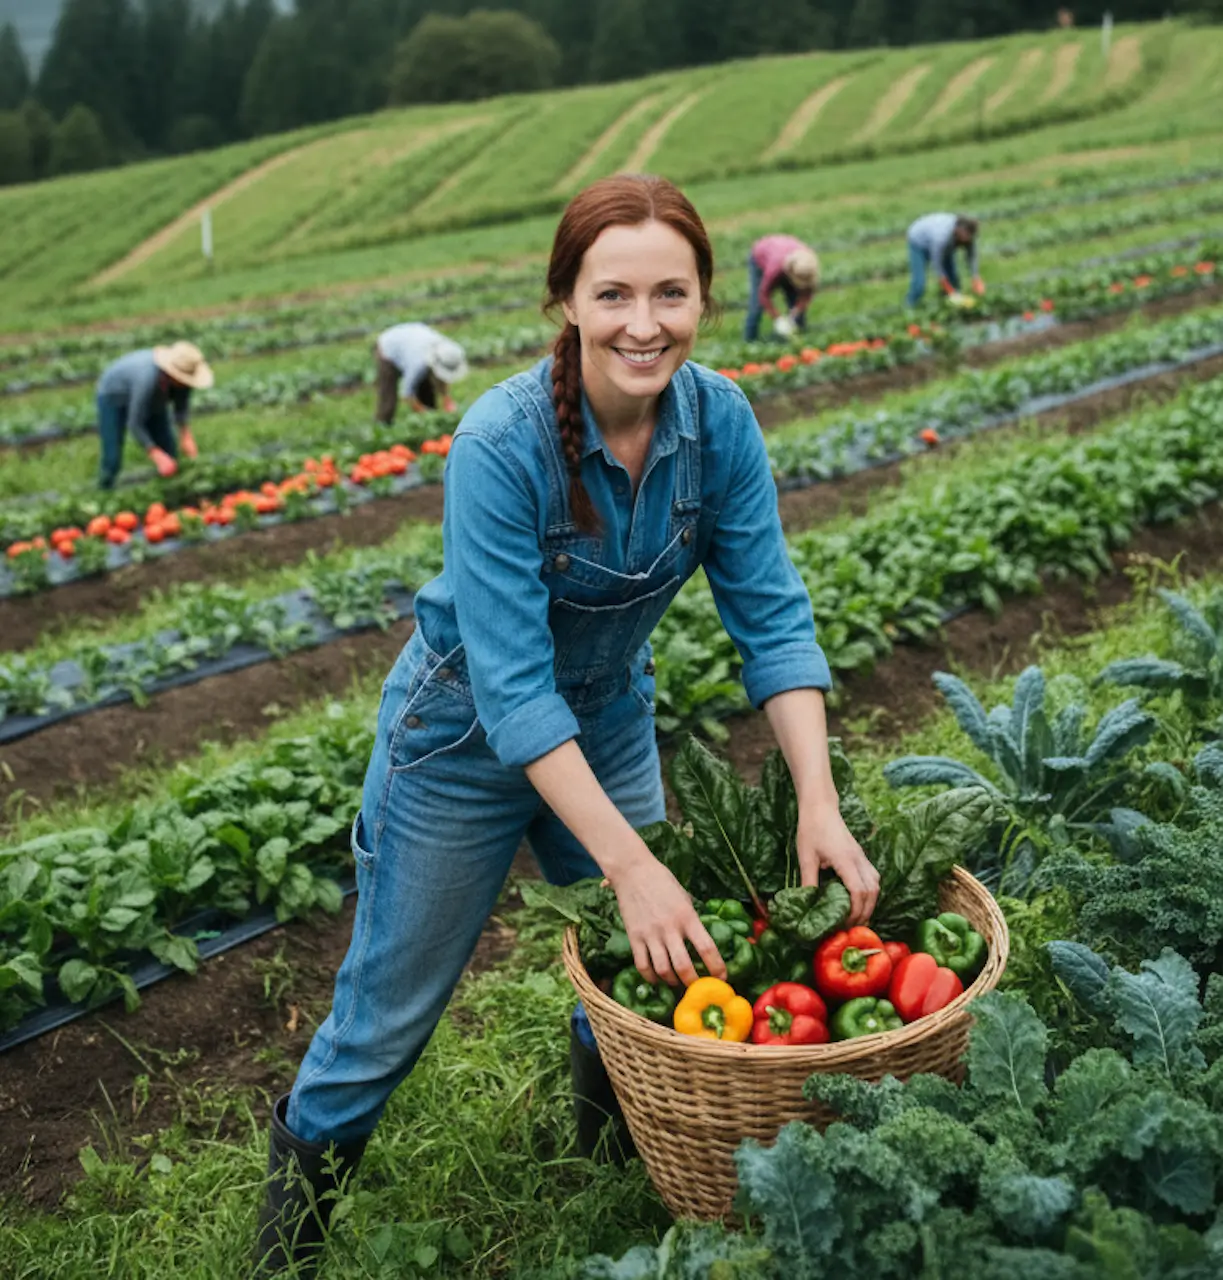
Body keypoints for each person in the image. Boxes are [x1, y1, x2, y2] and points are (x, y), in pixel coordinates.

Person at [252, 174, 880, 1275]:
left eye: (671, 293)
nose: (645, 323)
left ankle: (603, 1170)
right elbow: (511, 693)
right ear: (567, 300)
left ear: (703, 298)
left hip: (607, 715)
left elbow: (771, 619)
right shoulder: (499, 445)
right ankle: (284, 1250)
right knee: (389, 1009)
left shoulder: (718, 422)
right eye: (614, 294)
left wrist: (818, 806)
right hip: (461, 737)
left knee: (635, 969)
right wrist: (628, 858)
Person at [94, 342, 213, 489]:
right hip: (113, 396)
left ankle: (170, 493)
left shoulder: (182, 381)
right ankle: (104, 491)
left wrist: (185, 435)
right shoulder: (147, 380)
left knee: (169, 450)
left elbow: (181, 408)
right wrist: (155, 453)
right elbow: (135, 424)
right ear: (172, 373)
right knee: (112, 457)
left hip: (155, 395)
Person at [374, 322, 469, 424]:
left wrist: (446, 399)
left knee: (426, 390)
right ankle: (382, 424)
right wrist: (424, 413)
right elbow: (407, 395)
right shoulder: (417, 364)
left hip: (413, 339)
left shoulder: (448, 350)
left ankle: (431, 421)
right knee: (389, 399)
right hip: (388, 347)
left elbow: (442, 379)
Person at [744, 234, 820, 342]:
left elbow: (807, 292)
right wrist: (778, 318)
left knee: (794, 299)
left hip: (786, 257)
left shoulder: (809, 265)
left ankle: (801, 334)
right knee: (756, 304)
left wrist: (797, 310)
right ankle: (749, 340)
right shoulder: (774, 270)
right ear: (791, 274)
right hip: (761, 255)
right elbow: (764, 295)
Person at [905, 213, 985, 307]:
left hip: (944, 244)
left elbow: (971, 257)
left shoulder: (968, 237)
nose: (968, 239)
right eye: (967, 236)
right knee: (919, 284)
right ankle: (908, 307)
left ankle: (946, 304)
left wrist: (975, 277)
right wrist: (947, 287)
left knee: (954, 281)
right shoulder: (942, 237)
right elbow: (937, 265)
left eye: (970, 237)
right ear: (959, 230)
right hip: (919, 241)